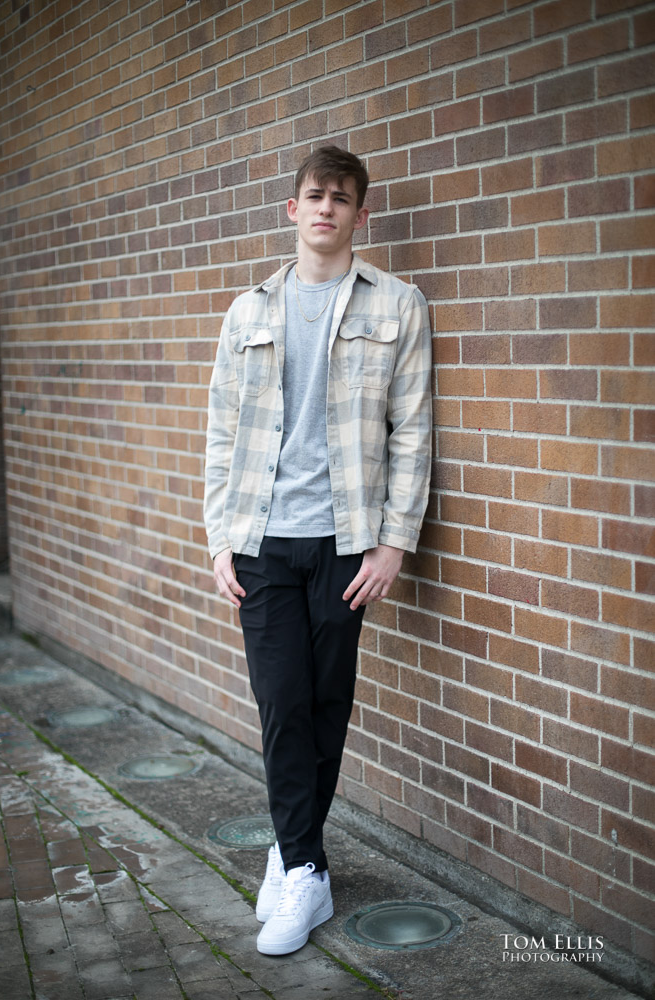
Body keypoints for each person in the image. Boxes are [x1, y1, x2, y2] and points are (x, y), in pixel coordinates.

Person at [204, 144, 432, 956]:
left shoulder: (397, 304)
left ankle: (292, 856)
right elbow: (222, 435)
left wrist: (393, 544)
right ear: (290, 210)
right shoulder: (247, 312)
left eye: (341, 198)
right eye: (314, 195)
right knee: (280, 706)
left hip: (345, 544)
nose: (326, 207)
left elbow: (412, 432)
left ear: (359, 215)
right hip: (262, 543)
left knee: (326, 707)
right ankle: (305, 867)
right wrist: (219, 541)